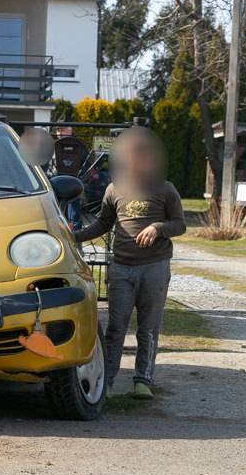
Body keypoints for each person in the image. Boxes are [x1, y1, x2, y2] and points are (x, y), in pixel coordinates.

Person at [74, 127, 186, 399]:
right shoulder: (114, 189)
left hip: (155, 268)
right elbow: (102, 223)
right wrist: (72, 236)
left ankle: (142, 380)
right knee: (116, 327)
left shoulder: (166, 189)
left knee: (148, 328)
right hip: (121, 268)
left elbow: (179, 225)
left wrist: (159, 228)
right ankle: (108, 382)